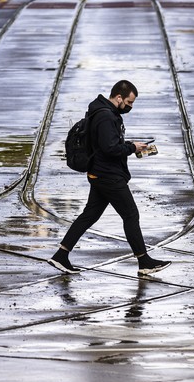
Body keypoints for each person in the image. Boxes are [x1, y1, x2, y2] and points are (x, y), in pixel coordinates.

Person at [49, 80, 171, 276]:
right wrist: (132, 148)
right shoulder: (106, 116)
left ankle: (61, 256)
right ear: (119, 97)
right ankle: (144, 261)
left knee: (89, 215)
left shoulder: (102, 112)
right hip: (108, 176)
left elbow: (107, 144)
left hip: (100, 173)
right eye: (129, 102)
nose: (130, 107)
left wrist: (131, 145)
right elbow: (110, 148)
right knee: (131, 215)